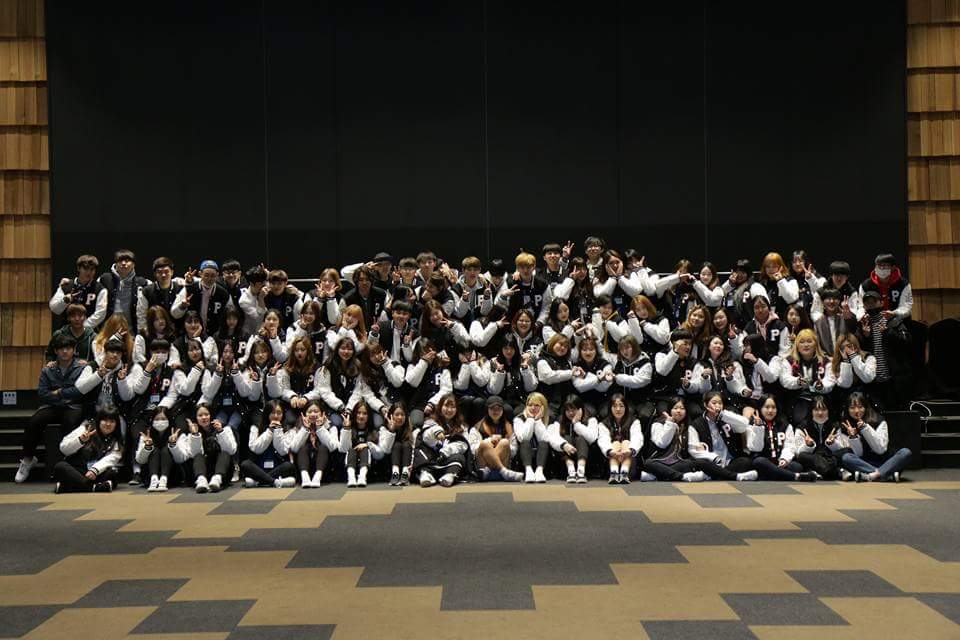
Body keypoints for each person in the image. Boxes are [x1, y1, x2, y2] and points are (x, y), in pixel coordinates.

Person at [16, 334, 86, 483]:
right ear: (56, 351)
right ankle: (28, 459)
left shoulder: (82, 367)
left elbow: (80, 391)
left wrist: (59, 393)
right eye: (61, 349)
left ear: (73, 350)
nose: (65, 351)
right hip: (52, 406)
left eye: (68, 348)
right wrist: (64, 396)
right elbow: (42, 393)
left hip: (73, 407)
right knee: (34, 421)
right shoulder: (48, 369)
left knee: (71, 423)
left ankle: (71, 463)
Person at [829, 392, 911, 482]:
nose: (856, 411)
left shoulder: (879, 421)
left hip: (885, 460)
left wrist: (865, 428)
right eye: (852, 408)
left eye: (860, 407)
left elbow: (880, 449)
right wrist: (853, 437)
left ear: (866, 407)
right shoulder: (845, 426)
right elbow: (858, 454)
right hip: (864, 463)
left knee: (905, 452)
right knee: (846, 457)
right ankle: (884, 473)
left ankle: (871, 475)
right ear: (847, 409)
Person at [686, 391, 758, 481]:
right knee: (700, 462)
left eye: (720, 403)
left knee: (745, 461)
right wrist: (714, 458)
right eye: (714, 403)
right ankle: (736, 476)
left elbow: (744, 424)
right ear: (705, 405)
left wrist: (723, 415)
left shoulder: (727, 418)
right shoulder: (696, 424)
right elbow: (693, 450)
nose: (718, 406)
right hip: (710, 462)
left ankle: (711, 475)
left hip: (728, 461)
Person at [745, 394, 816, 482]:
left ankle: (775, 475)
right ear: (760, 408)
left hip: (779, 462)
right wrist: (758, 427)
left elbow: (789, 446)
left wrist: (784, 459)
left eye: (773, 407)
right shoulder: (752, 424)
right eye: (767, 407)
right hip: (763, 461)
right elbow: (756, 448)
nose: (770, 410)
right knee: (759, 461)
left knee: (796, 466)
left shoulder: (785, 425)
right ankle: (795, 476)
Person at [53, 405, 123, 493]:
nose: (108, 424)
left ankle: (68, 487)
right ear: (99, 420)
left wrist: (94, 470)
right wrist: (80, 440)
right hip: (77, 470)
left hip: (95, 473)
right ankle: (95, 487)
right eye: (105, 420)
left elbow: (110, 460)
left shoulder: (116, 441)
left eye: (112, 421)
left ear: (116, 424)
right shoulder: (85, 429)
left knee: (112, 473)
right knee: (60, 466)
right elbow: (63, 448)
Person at [413, 393, 471, 487]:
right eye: (446, 406)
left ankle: (450, 475)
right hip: (430, 459)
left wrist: (445, 451)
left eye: (453, 407)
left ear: (457, 409)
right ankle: (426, 474)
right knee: (420, 451)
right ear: (440, 407)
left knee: (460, 457)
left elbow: (463, 445)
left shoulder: (461, 426)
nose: (449, 410)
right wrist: (436, 432)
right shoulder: (430, 421)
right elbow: (426, 438)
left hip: (447, 460)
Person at [178, 404, 238, 493]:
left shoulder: (224, 427)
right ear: (196, 418)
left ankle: (216, 479)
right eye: (200, 415)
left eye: (206, 414)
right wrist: (195, 434)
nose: (204, 417)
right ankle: (202, 480)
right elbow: (193, 454)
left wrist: (220, 431)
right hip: (201, 470)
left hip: (222, 472)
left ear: (211, 415)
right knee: (198, 456)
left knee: (225, 453)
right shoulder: (190, 432)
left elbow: (231, 450)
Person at [644, 397, 706, 482]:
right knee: (649, 463)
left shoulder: (688, 426)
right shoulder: (658, 423)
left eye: (682, 408)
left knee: (691, 462)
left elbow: (692, 448)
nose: (678, 411)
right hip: (658, 461)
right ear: (670, 410)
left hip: (677, 463)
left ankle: (657, 476)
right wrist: (669, 424)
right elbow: (662, 444)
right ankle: (682, 477)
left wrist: (699, 447)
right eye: (675, 408)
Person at [239, 400, 298, 488]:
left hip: (278, 467)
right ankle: (275, 482)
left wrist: (278, 430)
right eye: (272, 413)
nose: (276, 416)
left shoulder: (289, 429)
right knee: (245, 464)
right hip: (259, 468)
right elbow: (256, 449)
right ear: (267, 414)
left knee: (289, 466)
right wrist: (269, 431)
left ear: (283, 414)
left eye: (279, 413)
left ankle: (258, 482)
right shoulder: (256, 427)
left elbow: (283, 451)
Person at [468, 396, 524, 482]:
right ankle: (504, 471)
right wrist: (490, 441)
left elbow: (514, 450)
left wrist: (499, 444)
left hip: (498, 466)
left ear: (502, 410)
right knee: (484, 444)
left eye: (498, 408)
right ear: (487, 410)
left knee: (504, 442)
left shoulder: (509, 427)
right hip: (482, 468)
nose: (496, 411)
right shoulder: (477, 427)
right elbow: (473, 449)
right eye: (492, 408)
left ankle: (494, 469)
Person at [339, 401, 394, 487]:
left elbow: (381, 453)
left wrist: (368, 445)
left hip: (370, 467)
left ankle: (362, 477)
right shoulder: (348, 428)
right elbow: (343, 449)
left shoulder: (374, 431)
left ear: (369, 416)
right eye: (358, 413)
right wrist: (346, 429)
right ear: (354, 414)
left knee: (364, 449)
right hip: (350, 461)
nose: (361, 416)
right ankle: (351, 477)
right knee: (351, 450)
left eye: (364, 413)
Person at [289, 400, 339, 487]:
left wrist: (320, 428)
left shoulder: (331, 427)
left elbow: (333, 447)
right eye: (309, 412)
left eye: (316, 411)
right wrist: (305, 429)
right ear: (304, 414)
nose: (312, 414)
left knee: (323, 447)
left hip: (323, 470)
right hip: (303, 469)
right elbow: (294, 448)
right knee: (302, 447)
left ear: (322, 413)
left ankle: (317, 477)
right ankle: (305, 477)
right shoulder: (298, 427)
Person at [597, 394, 645, 484]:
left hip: (629, 462)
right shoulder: (604, 424)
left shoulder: (634, 421)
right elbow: (603, 440)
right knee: (615, 443)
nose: (618, 409)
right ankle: (614, 473)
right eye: (614, 406)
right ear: (610, 408)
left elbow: (637, 438)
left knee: (626, 442)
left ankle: (624, 473)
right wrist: (611, 452)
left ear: (626, 408)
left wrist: (630, 451)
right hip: (610, 462)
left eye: (621, 406)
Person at [50, 254, 107, 329]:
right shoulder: (66, 285)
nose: (89, 272)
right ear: (78, 268)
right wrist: (64, 301)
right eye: (86, 268)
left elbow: (100, 314)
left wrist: (82, 328)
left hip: (89, 332)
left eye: (92, 269)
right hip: (66, 331)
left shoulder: (100, 289)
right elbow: (54, 309)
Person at [97, 249, 148, 329]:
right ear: (115, 264)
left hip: (132, 331)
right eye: (120, 261)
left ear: (133, 264)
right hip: (106, 330)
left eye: (127, 261)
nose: (123, 263)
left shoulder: (143, 283)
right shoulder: (103, 279)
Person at [856, 253, 913, 321]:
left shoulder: (904, 284)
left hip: (899, 321)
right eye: (879, 266)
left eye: (885, 266)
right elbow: (861, 306)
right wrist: (862, 316)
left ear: (893, 267)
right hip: (874, 322)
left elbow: (906, 307)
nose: (881, 268)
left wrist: (894, 313)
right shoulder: (865, 285)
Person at [513, 392, 552, 483]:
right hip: (524, 460)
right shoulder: (518, 419)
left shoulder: (550, 419)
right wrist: (530, 419)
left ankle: (539, 471)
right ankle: (529, 471)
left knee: (543, 443)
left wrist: (538, 420)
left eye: (537, 405)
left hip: (543, 460)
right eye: (530, 405)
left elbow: (545, 439)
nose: (533, 408)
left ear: (543, 407)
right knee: (525, 442)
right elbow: (523, 438)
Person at [137, 256, 182, 331]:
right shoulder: (146, 291)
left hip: (177, 332)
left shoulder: (180, 288)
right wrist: (144, 333)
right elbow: (141, 316)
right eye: (159, 272)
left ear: (172, 272)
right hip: (155, 333)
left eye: (166, 271)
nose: (163, 275)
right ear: (155, 274)